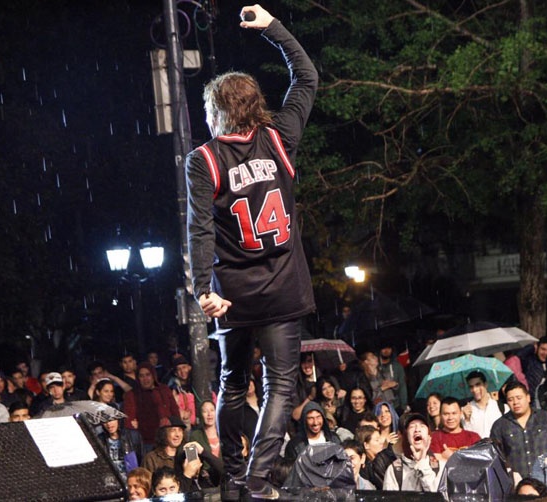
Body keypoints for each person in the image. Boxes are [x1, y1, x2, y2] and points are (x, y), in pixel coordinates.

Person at [186, 4, 318, 499]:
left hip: (234, 294)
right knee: (280, 387)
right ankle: (259, 481)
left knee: (231, 382)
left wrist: (202, 291)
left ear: (217, 112)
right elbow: (306, 77)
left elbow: (198, 228)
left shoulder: (203, 159)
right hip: (283, 287)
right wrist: (273, 29)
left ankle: (238, 476)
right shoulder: (280, 137)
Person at [490, 381, 547, 479]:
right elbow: (496, 457)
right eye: (510, 399)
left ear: (528, 397)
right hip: (518, 483)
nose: (515, 402)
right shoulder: (500, 425)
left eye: (519, 398)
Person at [382, 413, 445, 492]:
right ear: (406, 436)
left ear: (429, 436)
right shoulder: (394, 470)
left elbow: (439, 497)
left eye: (422, 426)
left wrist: (422, 464)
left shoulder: (440, 467)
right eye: (412, 426)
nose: (417, 429)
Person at [123, 363, 180, 450]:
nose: (145, 379)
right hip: (145, 440)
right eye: (141, 376)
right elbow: (129, 420)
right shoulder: (132, 394)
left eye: (148, 375)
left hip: (167, 436)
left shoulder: (164, 390)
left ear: (153, 375)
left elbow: (175, 412)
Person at [430, 396, 481, 461]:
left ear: (461, 413)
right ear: (440, 415)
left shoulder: (473, 437)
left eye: (454, 413)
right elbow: (436, 463)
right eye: (446, 414)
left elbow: (479, 463)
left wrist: (452, 457)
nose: (450, 418)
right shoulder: (434, 437)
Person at [462, 370, 505, 439]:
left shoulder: (501, 407)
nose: (475, 389)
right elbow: (467, 438)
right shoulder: (466, 410)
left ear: (485, 384)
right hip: (478, 448)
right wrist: (466, 420)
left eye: (478, 385)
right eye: (471, 387)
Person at [358, 424, 396, 489]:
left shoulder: (384, 458)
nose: (381, 442)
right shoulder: (366, 469)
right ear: (366, 445)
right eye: (377, 440)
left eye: (380, 439)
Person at [378, 342, 407, 413]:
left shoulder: (397, 366)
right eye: (384, 348)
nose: (386, 351)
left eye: (389, 348)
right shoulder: (374, 366)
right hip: (378, 406)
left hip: (395, 406)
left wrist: (404, 406)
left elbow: (402, 386)